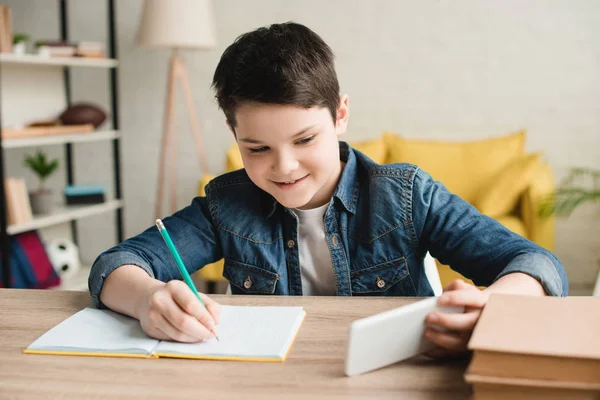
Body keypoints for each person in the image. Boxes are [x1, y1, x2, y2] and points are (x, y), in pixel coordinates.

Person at [89, 22, 567, 358]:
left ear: (340, 115)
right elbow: (115, 265)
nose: (284, 167)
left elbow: (537, 265)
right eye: (256, 148)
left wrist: (495, 307)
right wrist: (148, 298)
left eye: (304, 140)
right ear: (234, 133)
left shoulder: (405, 196)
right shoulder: (227, 204)